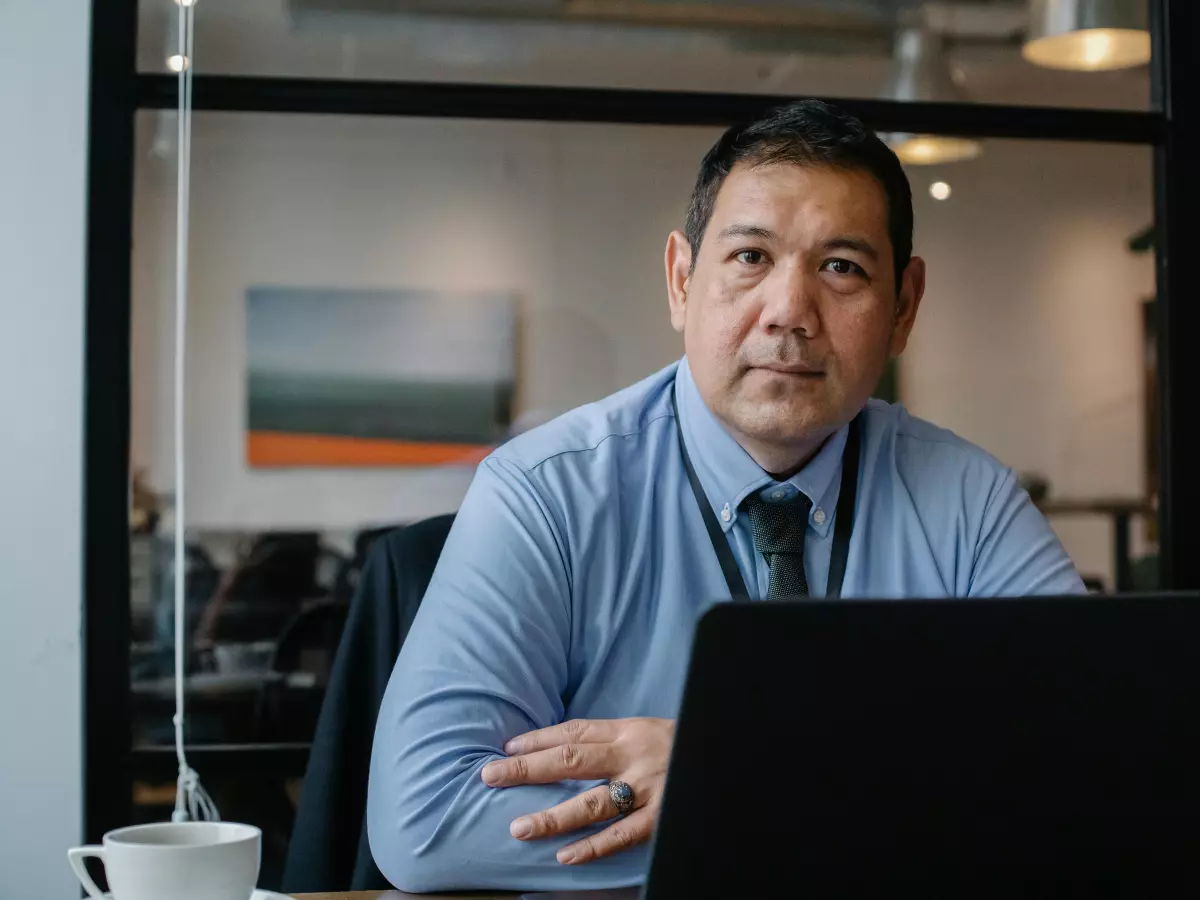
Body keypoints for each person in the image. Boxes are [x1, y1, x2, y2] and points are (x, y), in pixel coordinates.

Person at [366, 99, 1084, 893]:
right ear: (681, 280)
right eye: (750, 258)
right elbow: (423, 818)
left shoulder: (969, 501)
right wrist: (875, 793)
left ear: (904, 307)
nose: (789, 313)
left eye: (841, 267)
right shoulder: (545, 494)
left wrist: (736, 773)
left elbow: (1095, 760)